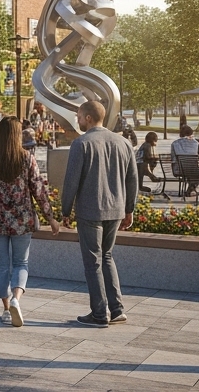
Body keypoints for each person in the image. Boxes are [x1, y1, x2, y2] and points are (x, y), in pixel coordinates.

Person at [0, 116, 59, 327]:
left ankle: (5, 309)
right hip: (22, 219)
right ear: (17, 135)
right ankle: (16, 299)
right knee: (21, 262)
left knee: (2, 265)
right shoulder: (26, 158)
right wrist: (51, 218)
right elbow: (38, 190)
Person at [61, 100, 137, 327]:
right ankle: (117, 309)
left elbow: (71, 181)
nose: (77, 120)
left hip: (90, 209)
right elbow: (132, 178)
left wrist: (66, 210)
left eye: (79, 116)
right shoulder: (123, 143)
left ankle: (99, 313)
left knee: (93, 261)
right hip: (115, 209)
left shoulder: (81, 143)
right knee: (107, 257)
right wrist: (129, 209)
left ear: (88, 118)